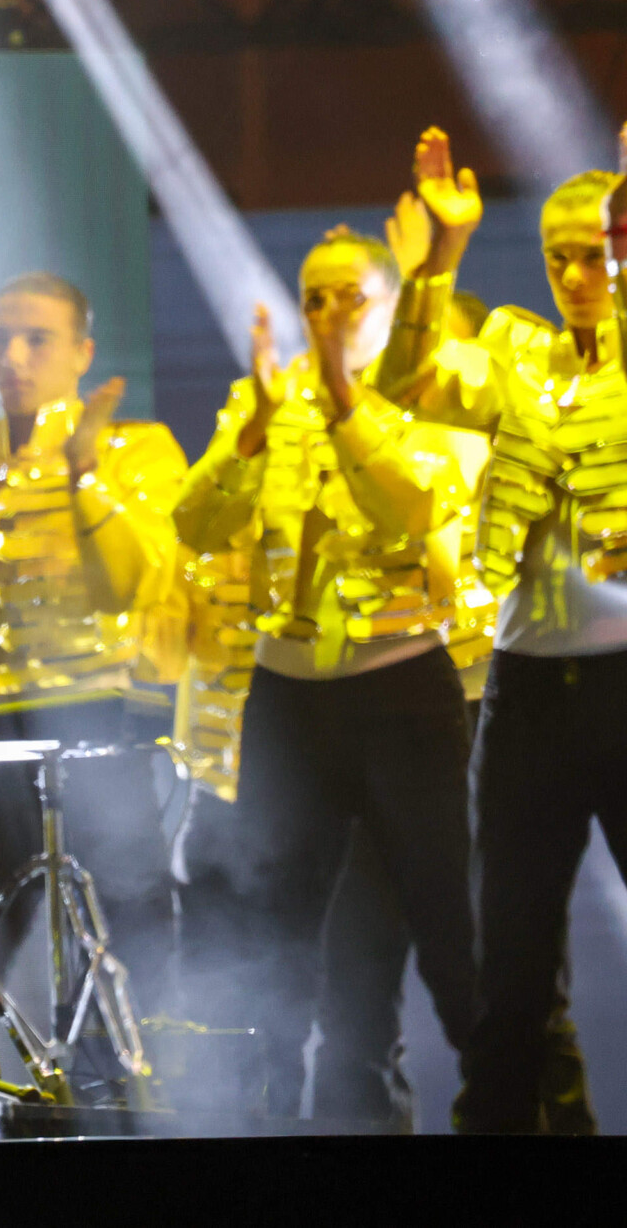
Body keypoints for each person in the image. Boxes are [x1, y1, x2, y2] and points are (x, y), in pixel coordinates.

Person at [172, 225, 483, 1120]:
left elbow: (413, 509)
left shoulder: (430, 396)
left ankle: (515, 1124)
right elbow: (195, 527)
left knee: (446, 927)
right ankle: (268, 1134)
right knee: (271, 927)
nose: (329, 311)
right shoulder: (262, 399)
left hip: (401, 691)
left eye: (351, 294)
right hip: (287, 698)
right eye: (314, 295)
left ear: (391, 306)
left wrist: (345, 402)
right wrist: (250, 437)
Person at [371, 125, 624, 1133]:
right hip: (526, 692)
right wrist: (438, 258)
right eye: (559, 254)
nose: (577, 274)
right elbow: (402, 382)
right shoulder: (519, 354)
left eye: (598, 251)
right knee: (507, 972)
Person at [0, 272, 188, 1008]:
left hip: (97, 718)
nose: (13, 357)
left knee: (129, 925)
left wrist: (83, 479)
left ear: (83, 353)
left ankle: (146, 1069)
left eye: (37, 340)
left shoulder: (133, 450)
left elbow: (131, 587)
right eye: (0, 341)